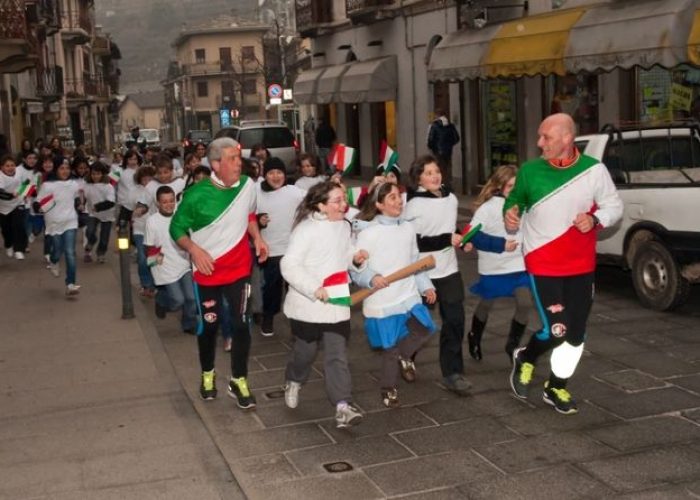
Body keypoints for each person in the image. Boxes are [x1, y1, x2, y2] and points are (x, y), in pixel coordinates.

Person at [505, 113, 623, 415]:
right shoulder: (530, 171)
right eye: (540, 136)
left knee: (575, 335)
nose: (539, 142)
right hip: (542, 261)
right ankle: (526, 358)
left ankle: (557, 386)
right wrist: (511, 212)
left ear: (568, 139)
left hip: (581, 264)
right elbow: (515, 199)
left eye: (547, 137)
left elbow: (614, 207)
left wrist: (595, 219)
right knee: (556, 330)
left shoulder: (593, 171)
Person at [170, 136, 268, 408]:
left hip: (239, 270)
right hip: (207, 272)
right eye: (233, 159)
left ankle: (239, 379)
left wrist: (257, 238)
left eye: (239, 158)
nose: (240, 163)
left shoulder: (248, 186)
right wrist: (194, 249)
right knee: (210, 326)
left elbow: (248, 216)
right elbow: (175, 229)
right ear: (215, 164)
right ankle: (208, 373)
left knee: (240, 324)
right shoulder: (195, 195)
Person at [280, 181, 367, 428]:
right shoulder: (305, 231)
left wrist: (355, 258)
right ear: (321, 205)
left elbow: (345, 252)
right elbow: (289, 265)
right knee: (305, 353)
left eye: (343, 199)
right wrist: (312, 289)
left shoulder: (343, 226)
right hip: (308, 306)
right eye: (337, 201)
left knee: (336, 355)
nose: (343, 205)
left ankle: (342, 406)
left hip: (337, 302)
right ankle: (294, 379)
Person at [351, 182, 437, 408]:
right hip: (383, 299)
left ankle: (404, 356)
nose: (398, 201)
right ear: (379, 204)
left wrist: (425, 285)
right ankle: (388, 388)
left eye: (399, 196)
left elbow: (414, 261)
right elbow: (356, 269)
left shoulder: (407, 228)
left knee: (425, 328)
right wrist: (370, 276)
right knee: (389, 348)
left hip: (407, 293)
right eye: (391, 198)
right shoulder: (369, 233)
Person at [404, 155, 471, 396]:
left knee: (455, 320)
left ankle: (452, 373)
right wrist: (446, 239)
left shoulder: (451, 198)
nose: (434, 176)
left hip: (449, 270)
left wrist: (462, 242)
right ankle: (406, 355)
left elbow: (450, 228)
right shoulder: (414, 205)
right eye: (428, 172)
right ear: (418, 178)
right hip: (423, 273)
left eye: (436, 171)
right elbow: (413, 241)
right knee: (421, 323)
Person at [466, 165, 532, 362]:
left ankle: (512, 344)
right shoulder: (488, 208)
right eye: (510, 185)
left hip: (520, 266)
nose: (515, 189)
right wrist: (501, 244)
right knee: (486, 304)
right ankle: (474, 336)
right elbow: (472, 235)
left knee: (525, 303)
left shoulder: (525, 205)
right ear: (499, 186)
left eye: (517, 185)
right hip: (494, 268)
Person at [256, 157, 306, 336]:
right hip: (271, 251)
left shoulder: (294, 192)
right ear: (265, 175)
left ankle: (298, 321)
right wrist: (258, 220)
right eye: (271, 173)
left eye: (279, 172)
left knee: (295, 287)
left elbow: (314, 201)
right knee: (272, 287)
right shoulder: (257, 193)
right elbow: (248, 218)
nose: (276, 176)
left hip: (293, 249)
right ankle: (268, 317)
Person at [146, 185, 197, 334]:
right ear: (158, 203)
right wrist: (154, 262)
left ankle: (188, 324)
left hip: (183, 263)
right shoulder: (152, 221)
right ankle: (162, 302)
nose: (169, 205)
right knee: (177, 301)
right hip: (165, 266)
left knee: (191, 298)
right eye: (164, 202)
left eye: (171, 201)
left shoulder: (181, 215)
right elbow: (148, 247)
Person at [36, 160, 83, 296]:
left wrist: (79, 204)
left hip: (70, 221)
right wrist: (37, 206)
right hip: (54, 223)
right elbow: (39, 201)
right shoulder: (47, 185)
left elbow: (75, 198)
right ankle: (54, 261)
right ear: (56, 170)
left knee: (70, 252)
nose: (65, 171)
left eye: (67, 168)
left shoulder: (74, 184)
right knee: (58, 250)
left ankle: (70, 284)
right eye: (62, 168)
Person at [83, 161, 116, 264]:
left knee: (104, 237)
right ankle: (92, 241)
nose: (95, 176)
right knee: (90, 230)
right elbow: (83, 196)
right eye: (93, 174)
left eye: (98, 174)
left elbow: (111, 202)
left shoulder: (108, 186)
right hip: (92, 214)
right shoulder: (87, 185)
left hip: (106, 214)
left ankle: (101, 253)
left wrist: (98, 207)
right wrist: (80, 203)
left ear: (102, 174)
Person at [0, 154, 30, 259]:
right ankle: (8, 245)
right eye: (7, 166)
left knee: (18, 225)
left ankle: (19, 249)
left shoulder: (19, 173)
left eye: (12, 165)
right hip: (3, 207)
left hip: (18, 203)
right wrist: (11, 195)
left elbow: (27, 183)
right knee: (6, 229)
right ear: (2, 167)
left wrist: (24, 194)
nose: (10, 168)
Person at [427, 109, 459, 185]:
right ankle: (448, 184)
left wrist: (433, 148)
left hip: (438, 151)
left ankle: (441, 184)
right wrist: (449, 145)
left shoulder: (434, 125)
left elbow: (430, 139)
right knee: (447, 168)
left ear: (437, 115)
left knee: (439, 168)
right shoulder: (450, 125)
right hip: (448, 151)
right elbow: (457, 138)